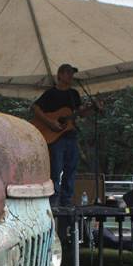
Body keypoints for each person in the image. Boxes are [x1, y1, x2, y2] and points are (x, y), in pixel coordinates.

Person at [32, 63, 97, 207]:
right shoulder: (51, 93)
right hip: (55, 138)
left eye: (72, 73)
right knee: (56, 170)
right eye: (68, 72)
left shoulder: (73, 94)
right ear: (60, 75)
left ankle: (66, 201)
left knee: (71, 168)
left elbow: (81, 112)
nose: (71, 76)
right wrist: (50, 123)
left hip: (70, 135)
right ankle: (53, 202)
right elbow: (35, 108)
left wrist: (93, 108)